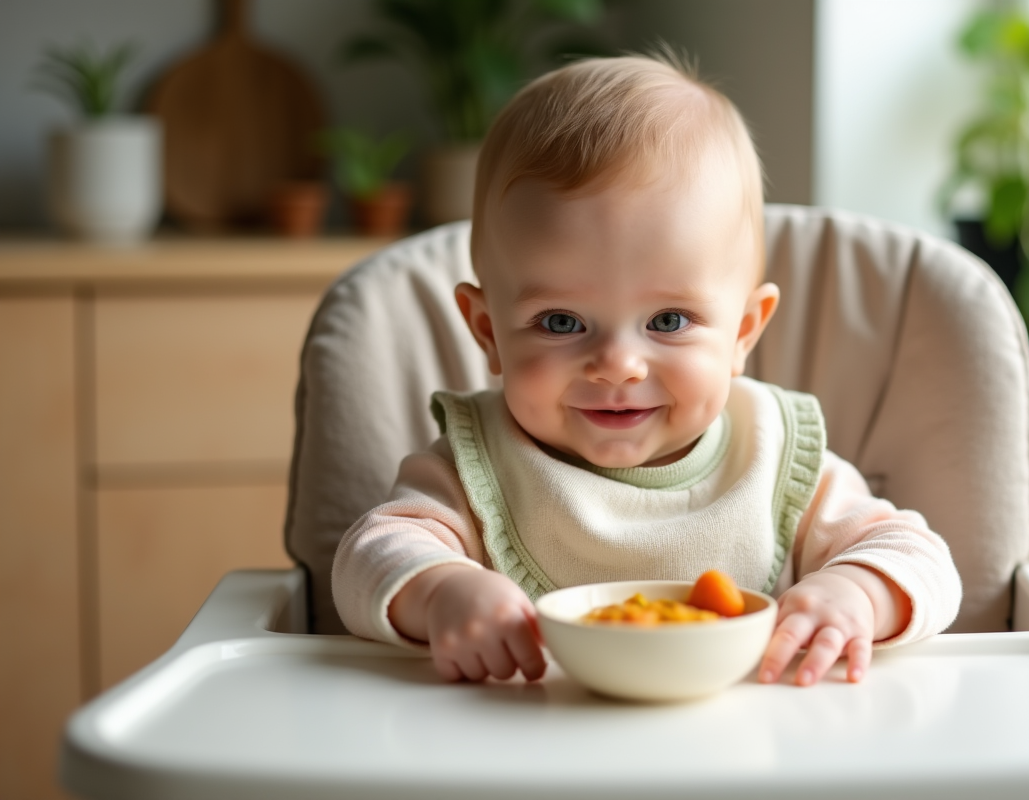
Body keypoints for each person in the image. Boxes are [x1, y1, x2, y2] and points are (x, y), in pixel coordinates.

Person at [332, 53, 961, 688]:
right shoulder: (474, 468)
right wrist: (441, 590)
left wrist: (856, 591)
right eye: (560, 322)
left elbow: (920, 558)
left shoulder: (772, 454)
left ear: (743, 331)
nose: (617, 366)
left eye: (667, 321)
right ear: (488, 331)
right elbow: (367, 557)